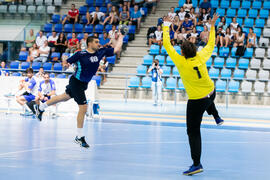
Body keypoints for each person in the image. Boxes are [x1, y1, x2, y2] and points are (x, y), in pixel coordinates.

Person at [34, 33, 124, 148]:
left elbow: (116, 49)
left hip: (83, 84)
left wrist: (120, 37)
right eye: (96, 42)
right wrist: (66, 63)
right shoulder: (80, 54)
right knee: (83, 107)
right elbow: (66, 62)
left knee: (64, 97)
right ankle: (79, 136)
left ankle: (40, 108)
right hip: (76, 82)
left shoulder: (100, 52)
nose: (98, 44)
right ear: (89, 43)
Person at [163, 14, 224, 176]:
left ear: (182, 53)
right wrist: (212, 26)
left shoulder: (181, 62)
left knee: (193, 131)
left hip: (197, 101)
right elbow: (211, 43)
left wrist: (166, 26)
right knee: (209, 97)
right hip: (212, 92)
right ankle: (216, 116)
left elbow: (167, 45)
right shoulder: (201, 56)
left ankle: (196, 164)